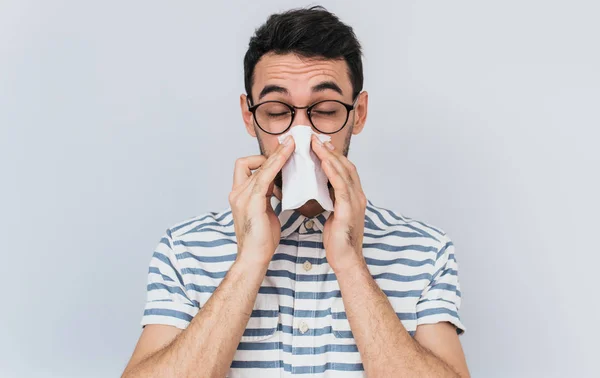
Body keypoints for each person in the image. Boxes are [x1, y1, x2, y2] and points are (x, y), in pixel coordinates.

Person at [122, 6, 469, 378]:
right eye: (276, 110)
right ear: (248, 114)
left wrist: (350, 263)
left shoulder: (426, 250)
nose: (300, 134)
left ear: (359, 113)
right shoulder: (184, 249)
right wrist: (250, 260)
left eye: (325, 109)